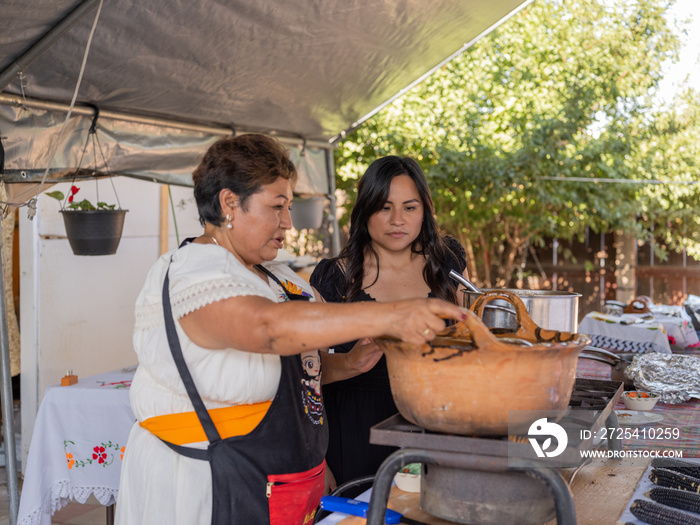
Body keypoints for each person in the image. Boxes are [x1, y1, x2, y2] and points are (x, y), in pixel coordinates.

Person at [115, 135, 466, 525]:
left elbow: (296, 367)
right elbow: (267, 328)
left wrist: (350, 363)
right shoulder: (190, 272)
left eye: (289, 207)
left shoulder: (279, 278)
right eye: (277, 207)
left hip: (276, 485)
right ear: (230, 203)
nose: (287, 222)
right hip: (203, 483)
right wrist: (390, 315)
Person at [310, 155, 470, 488]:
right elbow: (307, 377)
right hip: (353, 432)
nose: (397, 220)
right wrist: (350, 363)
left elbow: (475, 339)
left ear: (424, 211)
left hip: (436, 428)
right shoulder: (332, 278)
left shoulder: (448, 264)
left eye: (410, 208)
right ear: (365, 210)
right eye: (384, 207)